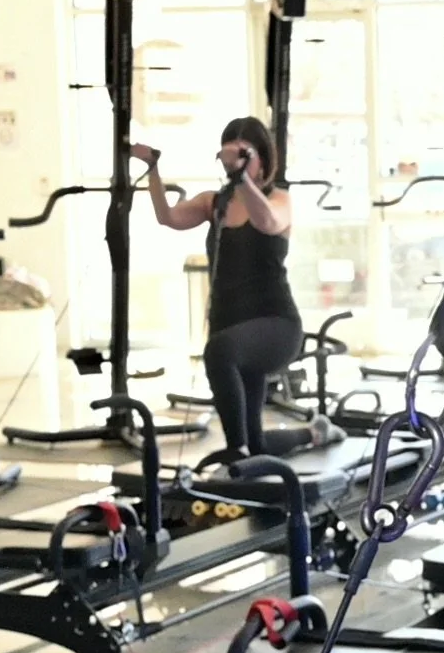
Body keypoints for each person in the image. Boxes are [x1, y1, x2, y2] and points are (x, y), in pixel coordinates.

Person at [132, 117, 339, 462]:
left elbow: (268, 222)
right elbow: (167, 217)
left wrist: (241, 178)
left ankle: (235, 451)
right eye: (231, 154)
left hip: (276, 326)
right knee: (257, 441)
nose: (238, 161)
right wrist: (153, 168)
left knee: (218, 352)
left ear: (263, 159)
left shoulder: (279, 200)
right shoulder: (214, 202)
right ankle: (315, 433)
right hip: (232, 327)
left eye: (246, 154)